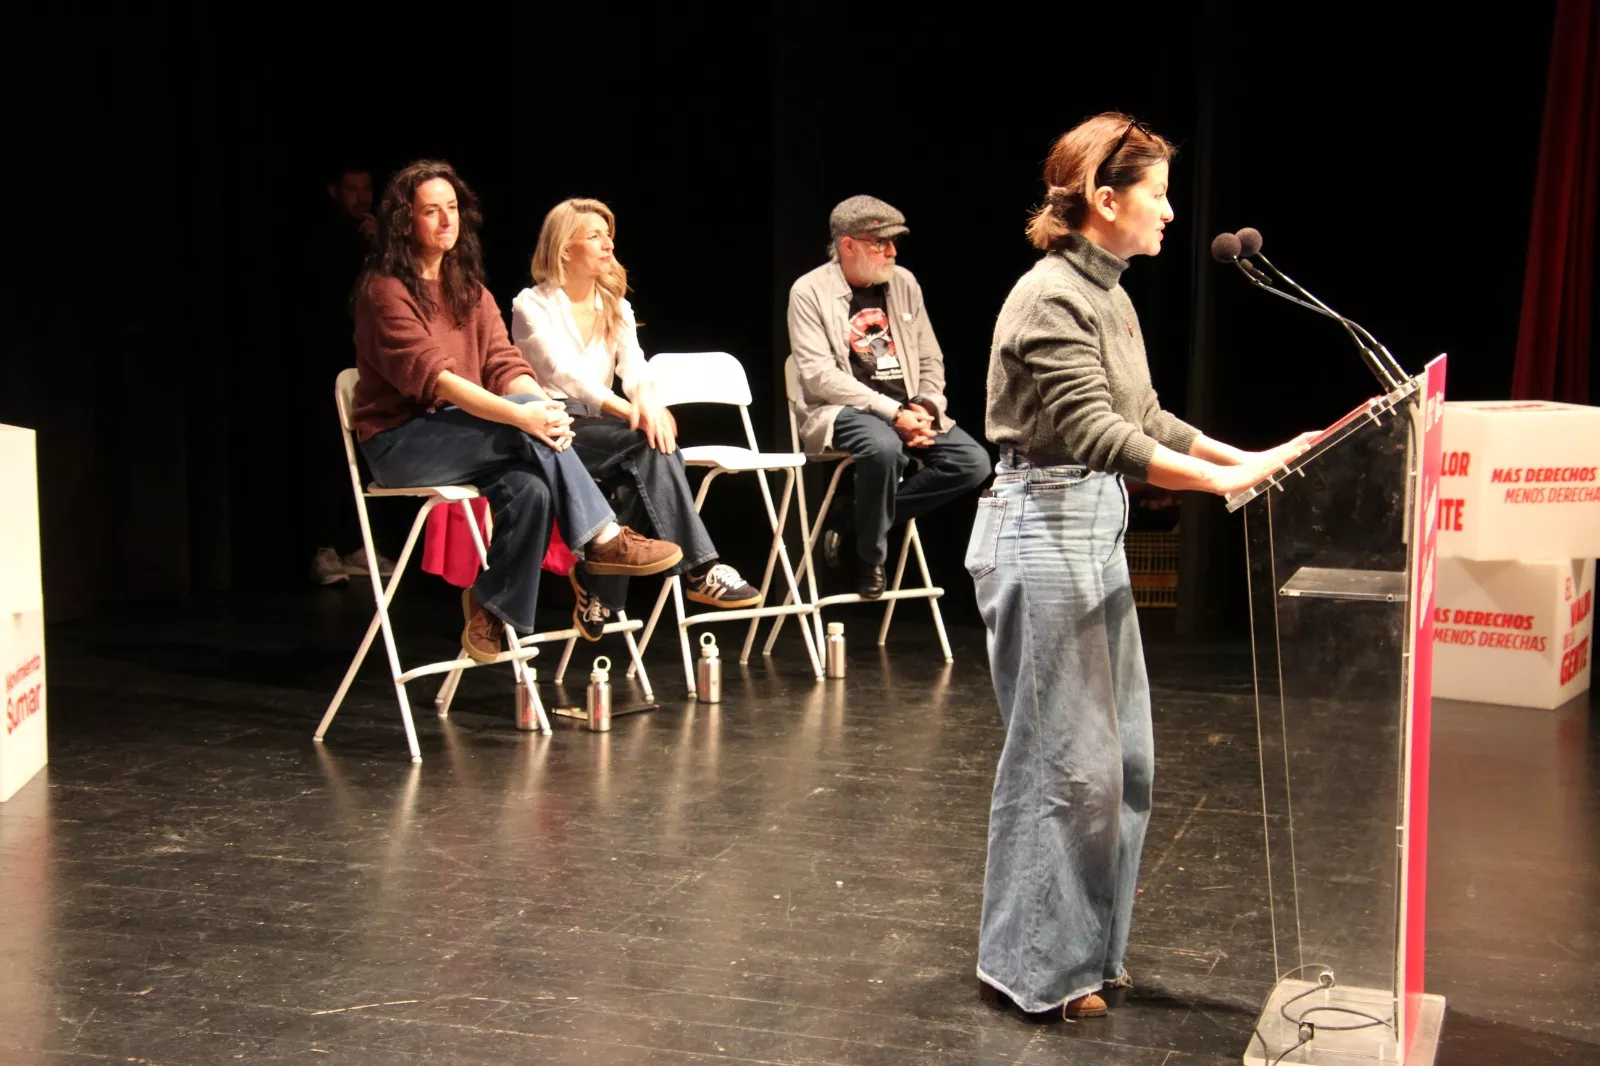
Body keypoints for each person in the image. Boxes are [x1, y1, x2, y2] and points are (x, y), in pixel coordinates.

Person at [971, 114, 1315, 1019]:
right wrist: (1220, 482)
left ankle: (1088, 954)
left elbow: (1145, 415)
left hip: (1088, 527)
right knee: (1065, 767)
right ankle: (1035, 972)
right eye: (1156, 194)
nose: (1168, 211)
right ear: (1104, 198)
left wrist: (1249, 458)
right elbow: (1094, 431)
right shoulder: (1050, 296)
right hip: (1041, 530)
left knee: (1122, 763)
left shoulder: (1110, 295)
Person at [351, 160, 683, 659]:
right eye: (431, 211)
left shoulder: (469, 290)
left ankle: (490, 608)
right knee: (528, 423)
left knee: (531, 488)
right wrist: (523, 416)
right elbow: (438, 378)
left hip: (464, 435)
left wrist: (540, 407)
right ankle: (603, 537)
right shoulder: (385, 291)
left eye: (452, 208)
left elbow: (505, 365)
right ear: (404, 221)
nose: (446, 220)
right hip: (401, 442)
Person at [510, 199, 761, 622]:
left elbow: (634, 366)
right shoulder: (532, 305)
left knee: (651, 453)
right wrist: (630, 410)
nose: (608, 244)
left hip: (600, 422)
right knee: (649, 445)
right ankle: (701, 569)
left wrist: (647, 401)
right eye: (595, 236)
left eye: (609, 235)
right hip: (552, 421)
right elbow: (563, 373)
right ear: (565, 248)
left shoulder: (614, 304)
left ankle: (598, 584)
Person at [786, 196, 991, 599]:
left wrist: (927, 406)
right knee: (883, 449)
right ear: (847, 245)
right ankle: (870, 556)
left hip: (908, 407)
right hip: (842, 409)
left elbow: (930, 357)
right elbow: (819, 375)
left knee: (972, 463)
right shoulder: (809, 291)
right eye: (880, 243)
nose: (892, 251)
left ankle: (854, 519)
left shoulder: (904, 283)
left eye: (894, 242)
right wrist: (894, 413)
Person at [309, 163, 396, 586]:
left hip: (368, 359)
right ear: (333, 191)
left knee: (364, 448)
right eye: (351, 189)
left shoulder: (376, 238)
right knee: (329, 452)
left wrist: (378, 245)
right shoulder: (327, 237)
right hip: (326, 355)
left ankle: (357, 543)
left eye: (366, 188)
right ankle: (324, 547)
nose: (361, 198)